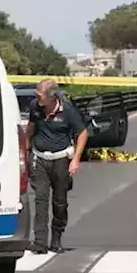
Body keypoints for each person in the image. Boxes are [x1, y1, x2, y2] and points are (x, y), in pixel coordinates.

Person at [23, 78, 88, 254]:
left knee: (60, 202)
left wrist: (75, 160)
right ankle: (40, 242)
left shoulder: (67, 110)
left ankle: (56, 239)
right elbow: (30, 127)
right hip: (40, 157)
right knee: (40, 199)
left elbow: (82, 133)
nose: (36, 98)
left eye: (39, 95)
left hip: (61, 159)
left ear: (51, 96)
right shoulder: (35, 107)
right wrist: (25, 150)